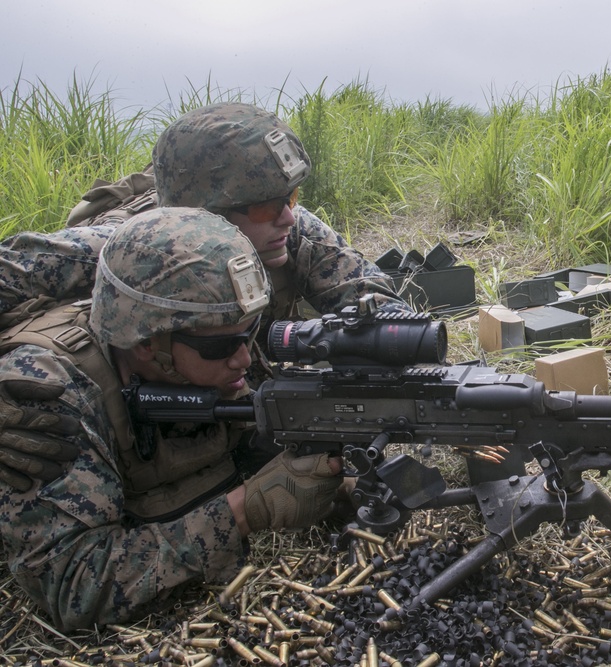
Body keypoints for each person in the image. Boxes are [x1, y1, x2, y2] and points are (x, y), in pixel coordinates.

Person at [0, 102, 413, 492]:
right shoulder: (130, 256)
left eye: (290, 197)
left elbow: (365, 291)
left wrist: (393, 335)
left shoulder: (286, 225)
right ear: (206, 215)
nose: (288, 216)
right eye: (265, 207)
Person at [0, 208, 347, 631]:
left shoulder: (205, 322)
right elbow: (75, 587)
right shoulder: (47, 395)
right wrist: (244, 510)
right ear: (147, 343)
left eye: (251, 332)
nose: (243, 357)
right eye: (223, 346)